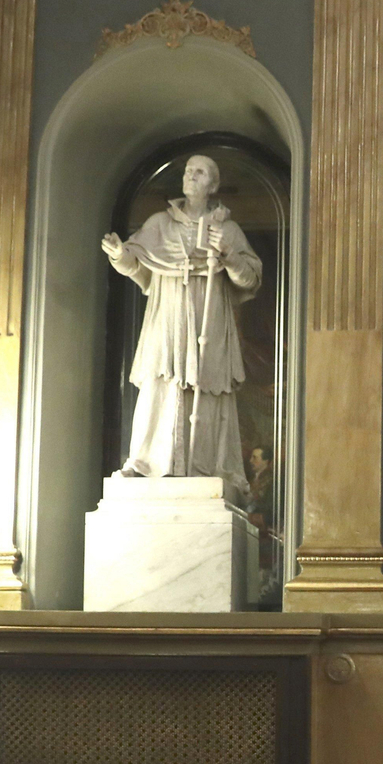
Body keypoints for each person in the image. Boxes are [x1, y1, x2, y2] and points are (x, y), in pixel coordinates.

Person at [102, 154, 262, 504]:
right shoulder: (161, 224)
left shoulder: (228, 230)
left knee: (207, 387)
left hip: (210, 321)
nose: (190, 176)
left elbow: (249, 280)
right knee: (162, 381)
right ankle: (145, 461)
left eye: (200, 171)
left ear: (213, 185)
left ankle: (210, 466)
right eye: (188, 170)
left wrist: (227, 256)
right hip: (168, 319)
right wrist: (119, 255)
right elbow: (138, 265)